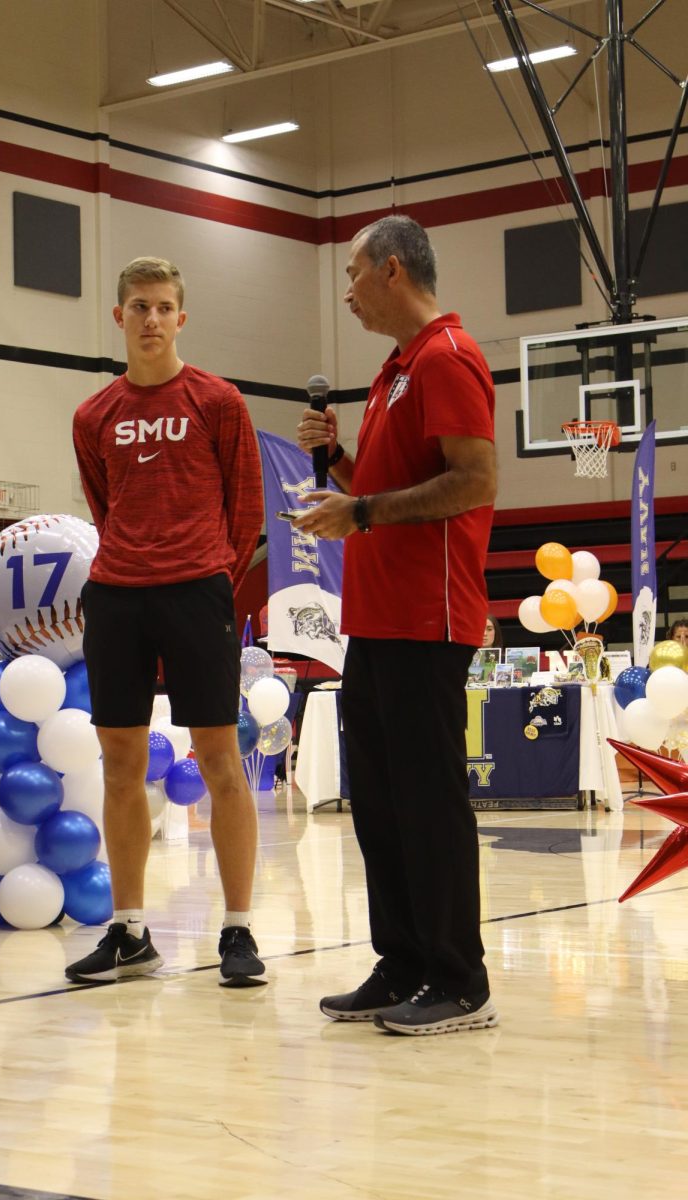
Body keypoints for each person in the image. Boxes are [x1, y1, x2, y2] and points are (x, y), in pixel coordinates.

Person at [294, 214, 498, 1036]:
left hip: (428, 617)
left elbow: (475, 482)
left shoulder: (447, 358)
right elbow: (386, 491)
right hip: (376, 621)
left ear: (391, 271)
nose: (344, 290)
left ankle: (461, 978)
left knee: (426, 799)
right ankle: (405, 960)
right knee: (379, 801)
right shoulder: (395, 372)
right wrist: (344, 470)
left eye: (351, 273)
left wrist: (364, 509)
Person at [68, 256, 266, 988]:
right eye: (138, 307)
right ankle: (129, 933)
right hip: (116, 596)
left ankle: (239, 931)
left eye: (163, 307)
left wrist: (211, 576)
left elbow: (245, 512)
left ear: (181, 318)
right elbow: (104, 506)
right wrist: (135, 563)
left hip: (197, 594)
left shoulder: (218, 401)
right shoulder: (94, 415)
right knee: (119, 768)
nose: (150, 319)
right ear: (118, 317)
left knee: (220, 760)